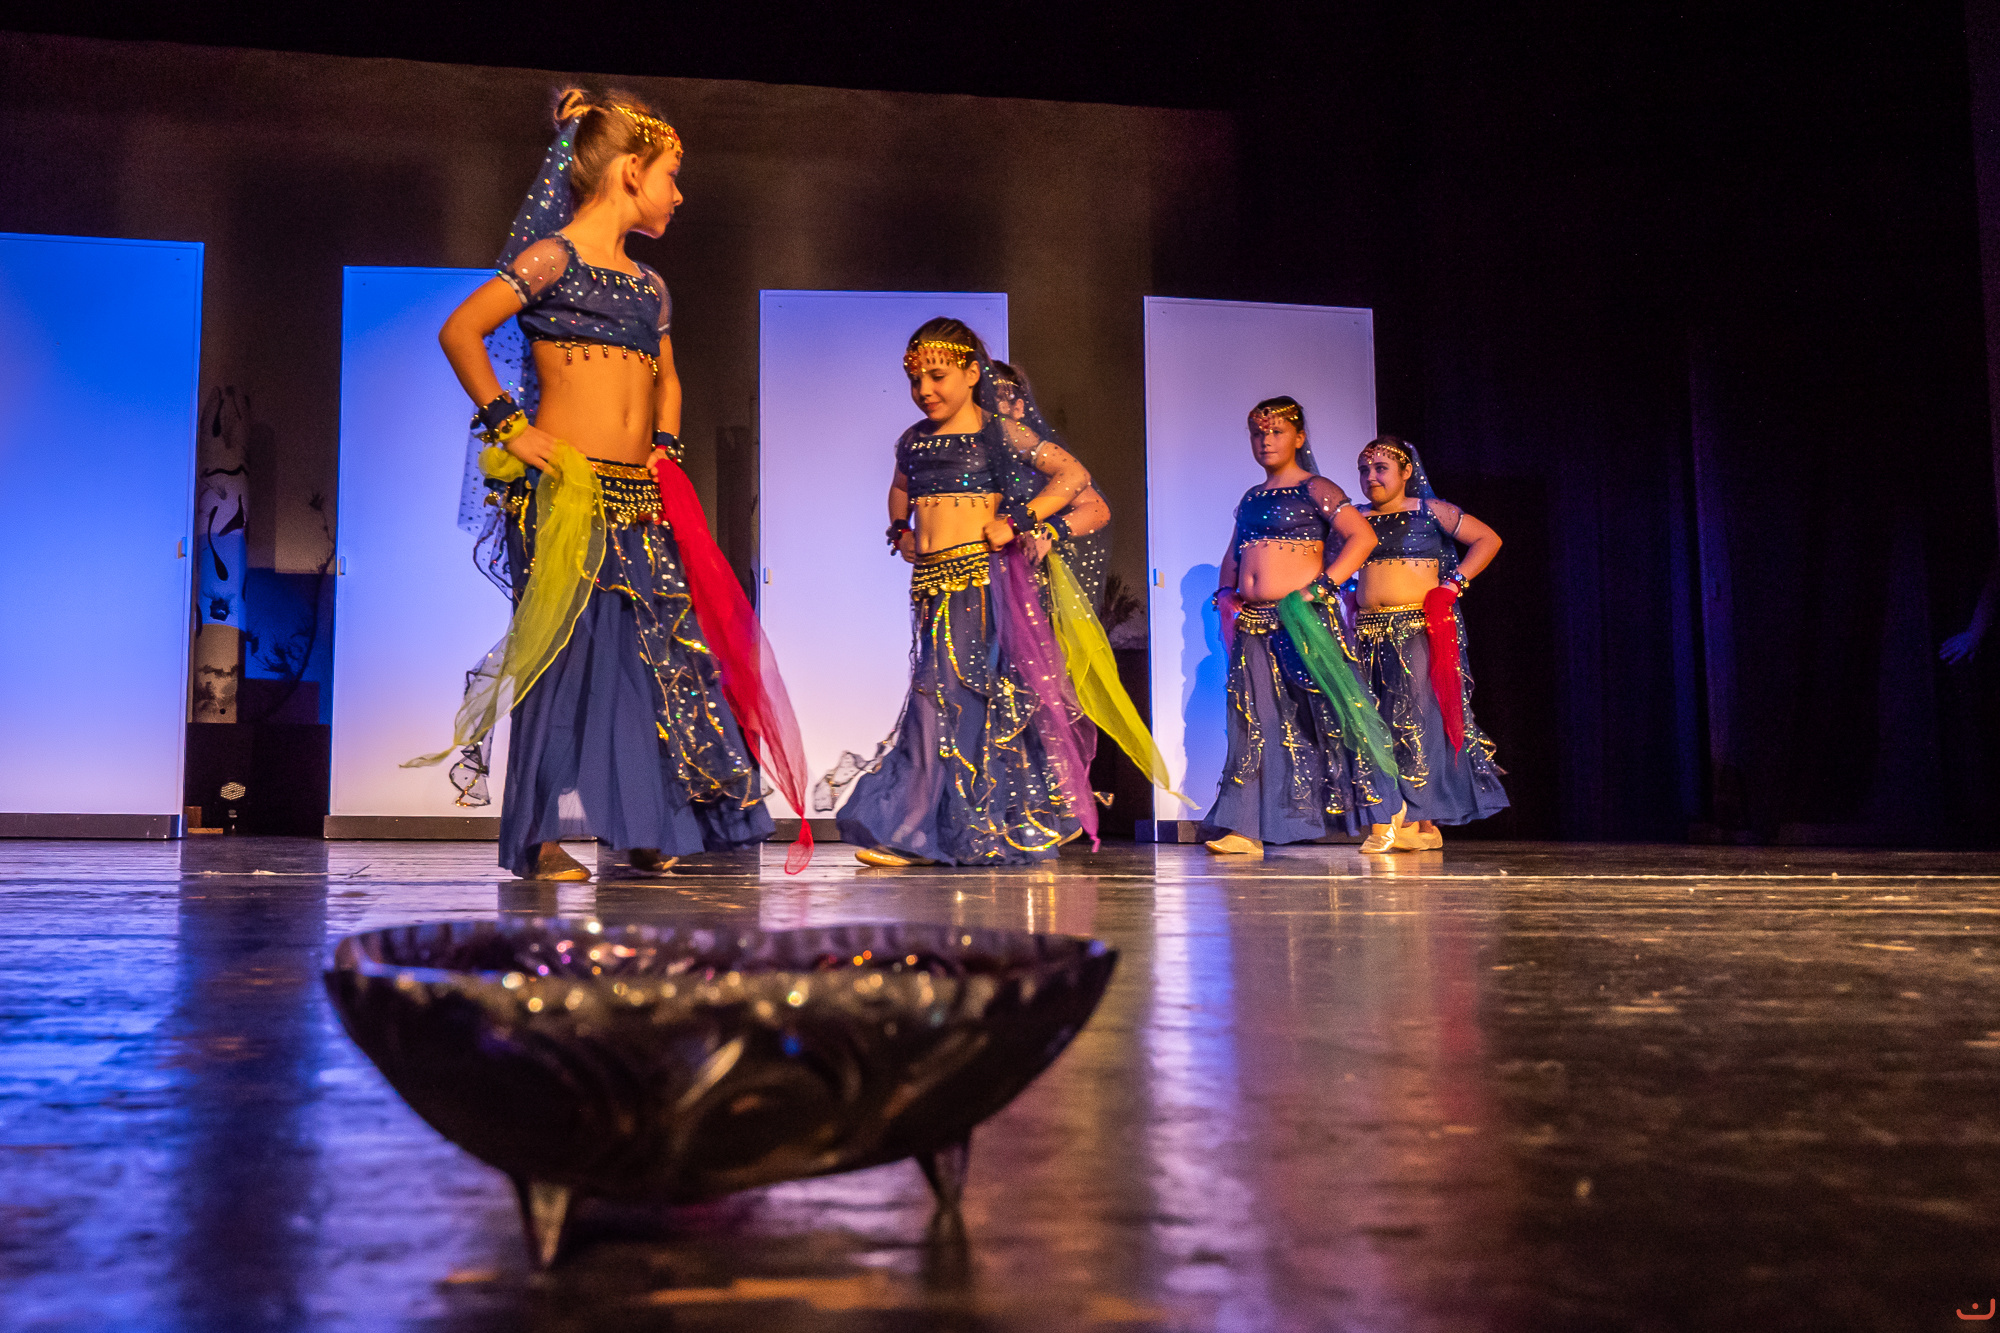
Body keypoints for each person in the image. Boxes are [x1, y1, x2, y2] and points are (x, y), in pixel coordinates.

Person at [415, 88, 808, 881]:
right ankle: (536, 839)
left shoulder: (650, 286)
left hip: (639, 493)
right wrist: (510, 427)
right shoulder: (551, 259)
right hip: (567, 494)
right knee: (561, 660)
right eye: (671, 176)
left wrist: (665, 445)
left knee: (652, 659)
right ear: (631, 171)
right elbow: (461, 330)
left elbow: (668, 379)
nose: (678, 194)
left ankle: (644, 825)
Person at [835, 319, 1097, 866]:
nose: (924, 390)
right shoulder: (913, 439)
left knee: (941, 700)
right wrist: (900, 530)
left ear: (973, 373)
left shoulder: (999, 433)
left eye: (937, 377)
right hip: (932, 587)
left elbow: (1072, 475)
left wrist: (1020, 519)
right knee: (949, 700)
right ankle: (958, 827)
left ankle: (914, 830)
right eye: (915, 380)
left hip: (980, 585)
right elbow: (900, 487)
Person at [1206, 398, 1402, 858]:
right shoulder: (1251, 498)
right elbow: (1234, 552)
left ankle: (1384, 815)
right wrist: (1226, 592)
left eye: (1276, 432)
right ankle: (1245, 828)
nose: (1265, 441)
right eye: (1258, 433)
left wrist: (1323, 587)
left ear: (1299, 438)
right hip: (1254, 622)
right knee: (1252, 719)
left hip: (1305, 619)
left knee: (1339, 710)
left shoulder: (1317, 488)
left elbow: (1363, 537)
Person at [1350, 435, 1509, 848]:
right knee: (1375, 723)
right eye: (1364, 470)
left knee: (1416, 718)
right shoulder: (1357, 519)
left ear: (1407, 471)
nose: (1371, 477)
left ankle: (1419, 818)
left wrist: (1453, 585)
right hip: (1366, 633)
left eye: (1381, 468)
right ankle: (1409, 821)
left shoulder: (1430, 511)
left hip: (1416, 628)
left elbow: (1488, 539)